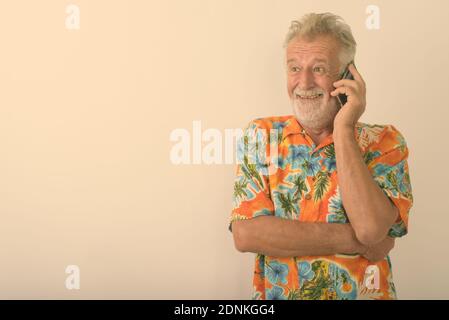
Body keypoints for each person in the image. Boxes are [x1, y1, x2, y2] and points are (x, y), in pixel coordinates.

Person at [229, 12, 413, 300]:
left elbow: (370, 227)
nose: (303, 82)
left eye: (318, 69)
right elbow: (247, 235)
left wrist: (344, 128)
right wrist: (355, 241)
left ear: (347, 77)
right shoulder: (260, 135)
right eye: (294, 68)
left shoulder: (386, 142)